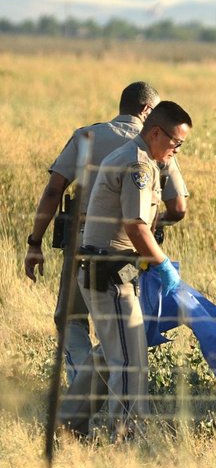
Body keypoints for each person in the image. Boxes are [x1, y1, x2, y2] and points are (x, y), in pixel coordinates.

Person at [24, 82, 188, 384]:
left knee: (71, 319)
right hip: (129, 252)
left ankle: (82, 385)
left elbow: (53, 191)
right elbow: (178, 208)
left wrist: (35, 243)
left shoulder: (87, 136)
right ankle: (100, 389)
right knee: (122, 330)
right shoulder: (159, 146)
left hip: (81, 245)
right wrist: (153, 225)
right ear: (147, 110)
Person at [59, 101, 192, 438]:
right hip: (111, 275)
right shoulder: (138, 165)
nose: (177, 150)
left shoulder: (137, 158)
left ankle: (66, 424)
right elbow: (136, 227)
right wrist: (164, 268)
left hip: (106, 270)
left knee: (108, 354)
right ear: (156, 132)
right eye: (176, 142)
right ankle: (126, 436)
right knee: (131, 363)